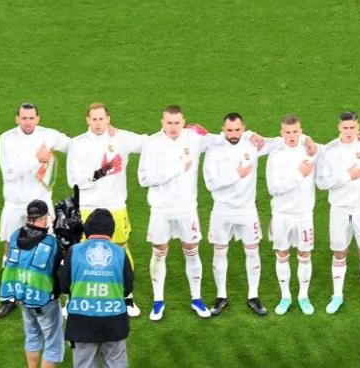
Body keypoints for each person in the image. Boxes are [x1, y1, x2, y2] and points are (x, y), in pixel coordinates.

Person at [137, 105, 222, 320]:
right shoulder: (152, 143)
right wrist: (175, 170)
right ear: (162, 122)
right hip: (161, 209)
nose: (173, 127)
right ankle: (158, 301)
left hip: (186, 208)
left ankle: (196, 298)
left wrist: (206, 132)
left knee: (192, 249)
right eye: (169, 123)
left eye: (177, 123)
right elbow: (144, 179)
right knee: (159, 250)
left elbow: (221, 140)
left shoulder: (193, 138)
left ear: (184, 121)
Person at [66, 103, 145, 317]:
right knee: (81, 251)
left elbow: (149, 142)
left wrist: (186, 133)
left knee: (120, 247)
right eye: (94, 119)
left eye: (102, 118)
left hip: (116, 205)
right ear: (87, 120)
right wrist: (101, 172)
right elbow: (73, 180)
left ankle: (127, 297)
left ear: (108, 119)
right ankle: (75, 296)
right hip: (87, 207)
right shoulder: (77, 144)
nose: (98, 123)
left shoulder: (121, 138)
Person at [59, 209, 133, 368]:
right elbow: (128, 287)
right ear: (111, 231)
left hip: (82, 319)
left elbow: (63, 286)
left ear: (87, 230)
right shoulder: (120, 253)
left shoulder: (74, 252)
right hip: (113, 319)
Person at [0, 102, 70, 319]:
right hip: (15, 203)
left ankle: (48, 291)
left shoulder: (49, 135)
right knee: (10, 248)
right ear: (17, 119)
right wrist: (36, 159)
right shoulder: (6, 138)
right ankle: (8, 297)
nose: (27, 122)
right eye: (23, 118)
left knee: (49, 247)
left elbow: (72, 145)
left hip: (40, 205)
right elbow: (9, 173)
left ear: (38, 118)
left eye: (31, 118)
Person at [203, 112, 279, 316]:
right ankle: (221, 296)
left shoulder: (252, 143)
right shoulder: (214, 150)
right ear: (223, 129)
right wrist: (237, 174)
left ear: (243, 128)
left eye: (237, 129)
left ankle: (253, 296)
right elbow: (210, 183)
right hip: (222, 209)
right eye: (229, 130)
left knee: (252, 250)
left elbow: (281, 141)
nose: (233, 134)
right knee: (220, 251)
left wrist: (306, 140)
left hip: (247, 209)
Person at [314, 111, 360, 315]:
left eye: (352, 128)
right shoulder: (329, 150)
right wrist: (347, 176)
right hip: (339, 210)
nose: (348, 132)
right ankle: (337, 296)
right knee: (339, 253)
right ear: (339, 127)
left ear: (358, 126)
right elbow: (321, 182)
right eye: (345, 128)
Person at [0, 200, 68, 368]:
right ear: (44, 217)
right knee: (54, 344)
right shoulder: (49, 242)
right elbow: (61, 269)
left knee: (32, 336)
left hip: (22, 297)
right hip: (44, 301)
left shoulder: (15, 235)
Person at [266, 115, 318, 315]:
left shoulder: (310, 150)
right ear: (281, 133)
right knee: (282, 254)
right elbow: (273, 189)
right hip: (282, 215)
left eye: (296, 132)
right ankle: (285, 296)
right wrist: (298, 175)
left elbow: (335, 145)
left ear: (301, 131)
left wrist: (308, 139)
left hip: (304, 214)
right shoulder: (276, 155)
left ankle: (303, 296)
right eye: (287, 132)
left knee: (305, 254)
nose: (292, 136)